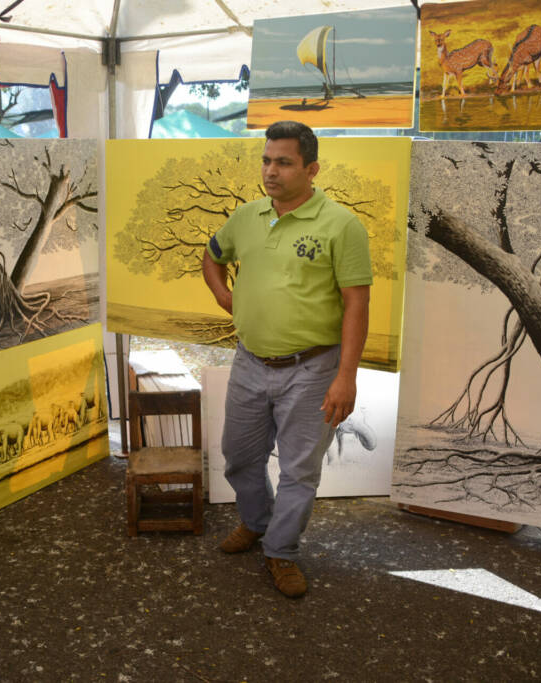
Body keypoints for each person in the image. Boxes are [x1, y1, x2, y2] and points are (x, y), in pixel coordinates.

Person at [202, 120, 371, 598]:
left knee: (299, 470)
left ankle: (281, 551)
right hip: (250, 363)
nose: (271, 171)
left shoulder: (342, 225)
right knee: (239, 458)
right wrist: (223, 295)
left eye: (284, 162)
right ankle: (256, 522)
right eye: (267, 159)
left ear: (311, 169)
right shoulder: (247, 216)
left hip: (314, 369)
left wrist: (346, 377)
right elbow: (211, 256)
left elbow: (357, 303)